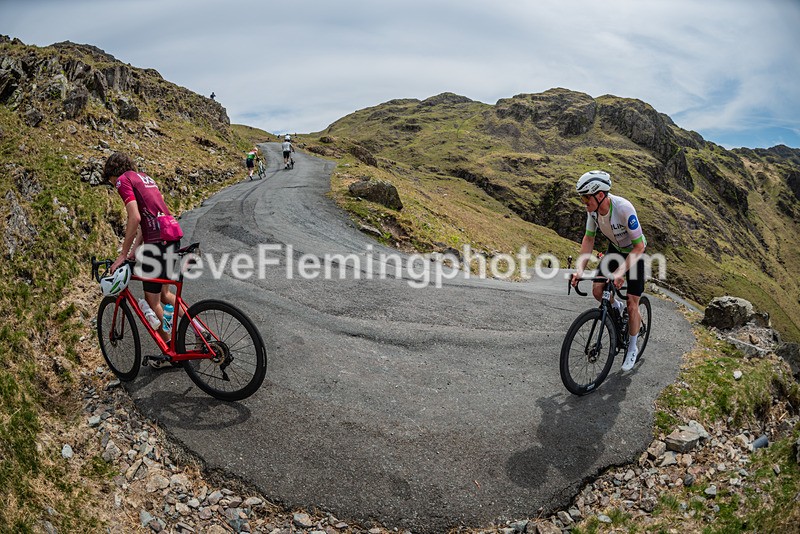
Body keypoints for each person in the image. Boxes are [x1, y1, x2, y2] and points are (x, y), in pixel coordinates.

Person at [103, 152, 184, 358]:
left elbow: (135, 217)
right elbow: (148, 219)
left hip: (157, 243)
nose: (114, 186)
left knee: (151, 301)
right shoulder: (145, 178)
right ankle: (200, 330)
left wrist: (122, 256)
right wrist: (133, 251)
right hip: (171, 236)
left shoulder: (123, 181)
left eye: (111, 181)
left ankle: (170, 351)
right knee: (165, 294)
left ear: (113, 173)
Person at [569, 170, 647, 372]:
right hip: (615, 250)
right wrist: (579, 270)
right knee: (598, 291)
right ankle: (616, 306)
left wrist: (621, 272)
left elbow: (639, 247)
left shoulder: (623, 208)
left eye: (586, 197)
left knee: (632, 303)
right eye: (582, 197)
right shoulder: (592, 211)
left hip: (634, 252)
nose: (584, 202)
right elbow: (589, 239)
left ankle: (632, 347)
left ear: (600, 195)